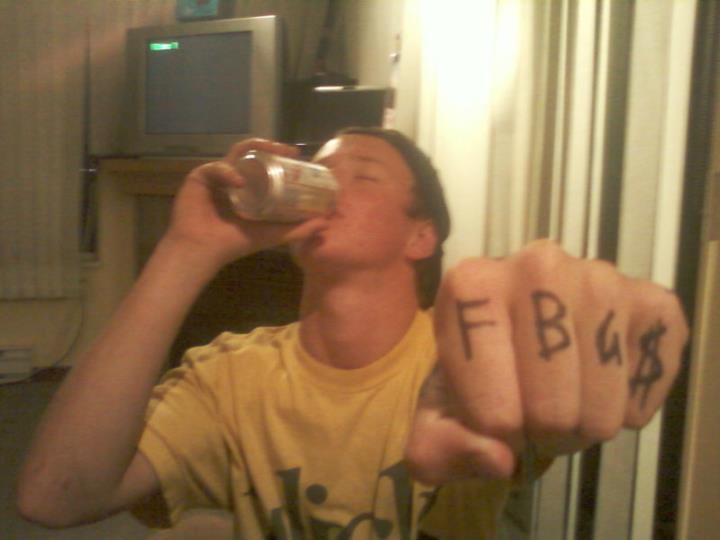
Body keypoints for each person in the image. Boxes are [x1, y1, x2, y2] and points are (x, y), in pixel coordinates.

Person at [16, 128, 688, 539]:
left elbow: (549, 362)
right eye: (321, 172)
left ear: (420, 235)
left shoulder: (463, 362)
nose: (330, 187)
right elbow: (55, 497)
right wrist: (187, 247)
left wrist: (601, 331)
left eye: (361, 175)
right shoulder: (231, 376)